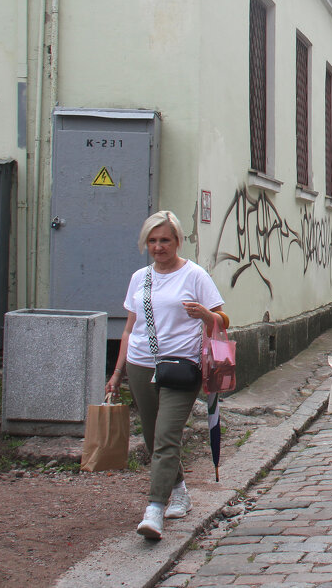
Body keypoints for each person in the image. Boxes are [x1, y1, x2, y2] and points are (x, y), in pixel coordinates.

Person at [105, 211, 225, 541]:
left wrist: (205, 314)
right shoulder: (139, 278)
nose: (158, 247)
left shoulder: (195, 275)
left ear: (177, 241)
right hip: (142, 364)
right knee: (152, 436)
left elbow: (222, 320)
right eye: (153, 241)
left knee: (167, 436)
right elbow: (129, 329)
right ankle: (181, 492)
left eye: (165, 240)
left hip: (181, 367)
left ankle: (154, 509)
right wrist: (117, 373)